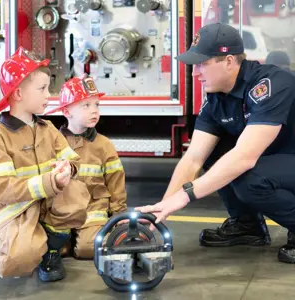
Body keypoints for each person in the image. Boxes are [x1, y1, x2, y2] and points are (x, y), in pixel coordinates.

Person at [135, 23, 295, 264]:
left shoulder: (271, 84)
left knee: (247, 177)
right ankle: (247, 226)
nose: (193, 73)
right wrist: (162, 209)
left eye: (202, 64)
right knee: (215, 155)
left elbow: (244, 158)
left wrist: (185, 196)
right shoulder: (217, 99)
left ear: (229, 61)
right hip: (283, 160)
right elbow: (194, 159)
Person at [0, 47, 91, 282]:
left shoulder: (47, 129)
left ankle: (51, 251)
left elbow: (72, 159)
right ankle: (9, 238)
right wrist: (50, 181)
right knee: (18, 261)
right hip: (13, 208)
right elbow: (3, 188)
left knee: (75, 193)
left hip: (43, 202)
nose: (49, 95)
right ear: (18, 94)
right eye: (42, 89)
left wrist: (68, 169)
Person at [45, 74, 127, 258]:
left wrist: (118, 215)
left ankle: (83, 237)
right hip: (61, 210)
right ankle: (68, 239)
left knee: (88, 249)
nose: (94, 111)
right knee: (57, 249)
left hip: (92, 209)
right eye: (86, 105)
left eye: (97, 105)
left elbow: (116, 182)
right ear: (66, 112)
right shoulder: (53, 142)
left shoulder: (104, 145)